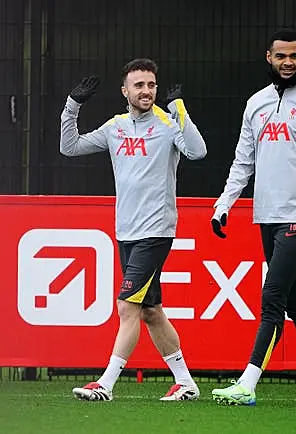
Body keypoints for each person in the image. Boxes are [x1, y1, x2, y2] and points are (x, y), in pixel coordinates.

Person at [209, 29, 296, 406]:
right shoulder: (255, 103)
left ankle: (248, 383)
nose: (288, 62)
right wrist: (224, 204)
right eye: (281, 56)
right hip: (266, 214)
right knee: (295, 301)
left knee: (271, 295)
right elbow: (243, 160)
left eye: (295, 56)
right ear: (268, 57)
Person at [60, 58, 207, 401]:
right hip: (125, 230)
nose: (146, 91)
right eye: (139, 85)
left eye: (151, 85)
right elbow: (69, 147)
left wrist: (179, 108)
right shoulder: (115, 126)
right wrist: (73, 105)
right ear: (125, 90)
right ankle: (186, 382)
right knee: (151, 311)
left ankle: (106, 384)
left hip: (155, 230)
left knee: (127, 307)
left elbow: (197, 151)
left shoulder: (169, 123)